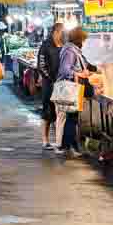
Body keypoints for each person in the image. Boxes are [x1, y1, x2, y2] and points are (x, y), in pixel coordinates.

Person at [52, 25, 93, 157]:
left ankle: (68, 146)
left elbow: (85, 64)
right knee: (71, 118)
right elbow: (65, 70)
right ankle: (69, 147)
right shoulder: (70, 51)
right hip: (70, 88)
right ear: (79, 39)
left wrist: (97, 69)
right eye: (84, 39)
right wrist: (80, 74)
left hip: (73, 88)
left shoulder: (74, 50)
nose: (85, 42)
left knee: (72, 118)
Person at [37, 22, 64, 152]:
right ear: (55, 32)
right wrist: (51, 79)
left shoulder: (63, 45)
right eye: (61, 33)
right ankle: (45, 140)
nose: (63, 35)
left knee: (60, 112)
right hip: (49, 84)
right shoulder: (46, 45)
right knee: (47, 111)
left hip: (62, 84)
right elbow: (41, 66)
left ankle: (58, 140)